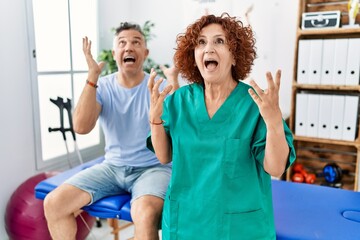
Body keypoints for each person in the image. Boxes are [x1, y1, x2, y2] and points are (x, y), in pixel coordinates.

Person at [147, 13, 296, 239]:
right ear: (193, 55)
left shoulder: (254, 103)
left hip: (238, 228)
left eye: (219, 41)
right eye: (201, 42)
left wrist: (274, 124)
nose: (208, 48)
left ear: (235, 56)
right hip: (185, 222)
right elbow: (164, 156)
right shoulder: (178, 101)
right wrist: (155, 120)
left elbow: (275, 168)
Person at [44, 22, 179, 240]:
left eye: (136, 42)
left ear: (145, 53)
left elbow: (180, 131)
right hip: (112, 168)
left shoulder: (158, 86)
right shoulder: (102, 86)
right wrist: (92, 77)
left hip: (152, 168)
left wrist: (174, 82)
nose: (129, 47)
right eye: (122, 43)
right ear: (114, 52)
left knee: (144, 216)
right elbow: (81, 127)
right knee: (54, 203)